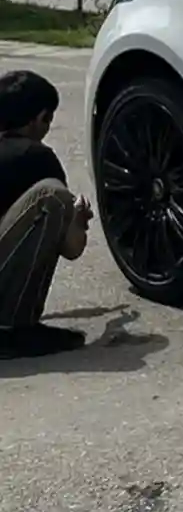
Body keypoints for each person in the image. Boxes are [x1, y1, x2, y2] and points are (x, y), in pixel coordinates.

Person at [0, 69, 92, 358]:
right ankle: (14, 327)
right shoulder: (35, 157)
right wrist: (77, 219)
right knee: (52, 197)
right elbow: (71, 247)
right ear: (41, 118)